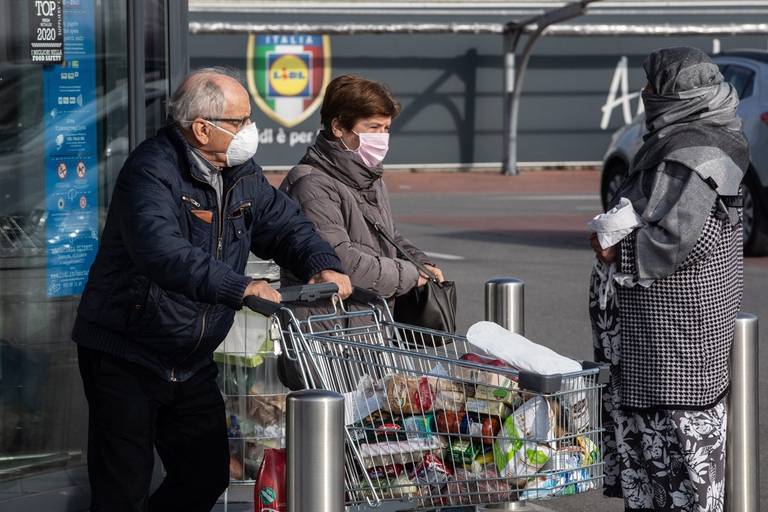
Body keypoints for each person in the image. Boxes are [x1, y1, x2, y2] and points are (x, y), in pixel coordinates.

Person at [71, 67, 351, 512]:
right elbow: (162, 252)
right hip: (128, 353)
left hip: (190, 359)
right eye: (241, 121)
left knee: (205, 474)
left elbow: (284, 225)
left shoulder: (240, 172)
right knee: (122, 489)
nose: (250, 130)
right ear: (202, 129)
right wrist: (240, 287)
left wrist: (321, 264)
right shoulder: (151, 170)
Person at [588, 47, 749, 511]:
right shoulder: (708, 136)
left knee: (677, 464)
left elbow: (681, 238)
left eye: (654, 86)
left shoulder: (691, 151)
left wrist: (616, 250)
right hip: (669, 337)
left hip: (671, 341)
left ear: (678, 94)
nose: (645, 93)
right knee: (664, 461)